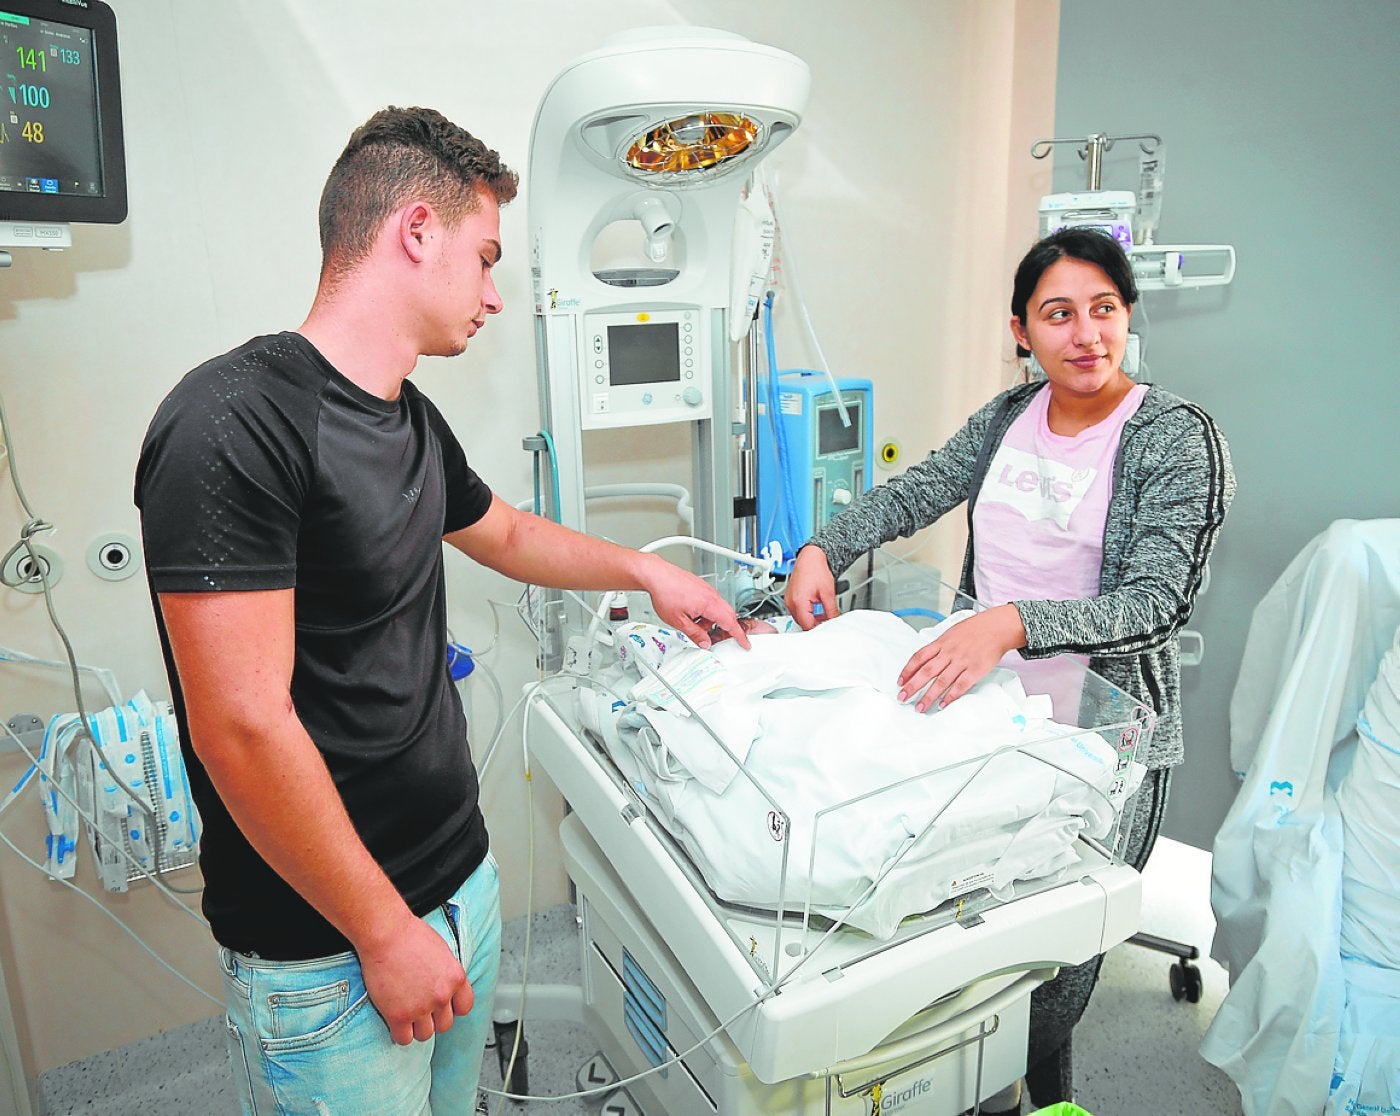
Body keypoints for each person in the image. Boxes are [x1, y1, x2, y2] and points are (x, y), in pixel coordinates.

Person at [133, 106, 749, 1115]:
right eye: (486, 256)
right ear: (416, 230)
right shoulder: (232, 424)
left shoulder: (407, 417)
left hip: (455, 882)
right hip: (331, 941)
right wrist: (381, 931)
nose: (496, 296)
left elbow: (504, 533)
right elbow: (241, 726)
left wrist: (648, 572)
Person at [785, 225, 1235, 1112]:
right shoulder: (1008, 418)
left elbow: (1157, 602)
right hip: (985, 707)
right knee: (966, 936)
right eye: (1058, 314)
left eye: (1103, 310)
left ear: (1128, 314)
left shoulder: (1174, 439)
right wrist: (820, 547)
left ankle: (1028, 1091)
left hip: (1104, 735)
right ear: (1022, 331)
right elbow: (919, 489)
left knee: (1049, 971)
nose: (1086, 335)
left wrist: (1011, 622)